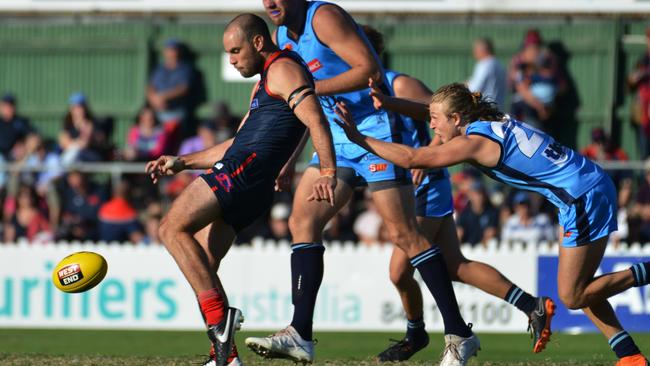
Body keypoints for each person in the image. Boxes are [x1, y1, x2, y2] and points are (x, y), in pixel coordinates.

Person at [335, 82, 650, 366]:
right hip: (588, 184)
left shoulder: (473, 143)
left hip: (581, 197)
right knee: (583, 287)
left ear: (457, 119)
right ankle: (630, 356)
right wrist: (390, 103)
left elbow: (414, 159)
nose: (430, 125)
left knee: (573, 295)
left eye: (436, 120)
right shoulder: (487, 120)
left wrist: (358, 137)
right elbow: (430, 110)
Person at [246, 2, 478, 365]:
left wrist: (310, 87)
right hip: (336, 143)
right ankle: (299, 334)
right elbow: (303, 107)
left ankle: (459, 333)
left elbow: (367, 70)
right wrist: (289, 159)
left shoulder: (322, 16)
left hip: (373, 133)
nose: (270, 3)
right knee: (302, 221)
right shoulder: (281, 36)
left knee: (405, 235)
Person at [145, 13, 337, 366]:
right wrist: (183, 161)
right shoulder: (268, 80)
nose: (231, 60)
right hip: (252, 181)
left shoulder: (283, 70)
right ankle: (226, 359)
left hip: (241, 173)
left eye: (235, 51)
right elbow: (237, 142)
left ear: (258, 42)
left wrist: (326, 170)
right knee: (202, 261)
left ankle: (222, 322)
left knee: (170, 227)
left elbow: (316, 119)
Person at [363, 24, 552, 361]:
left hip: (423, 181)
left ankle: (421, 334)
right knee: (455, 266)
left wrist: (428, 156)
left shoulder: (398, 83)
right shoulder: (351, 89)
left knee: (399, 269)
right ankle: (530, 304)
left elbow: (439, 117)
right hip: (406, 182)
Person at [628, 28, 650, 158]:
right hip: (643, 111)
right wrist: (634, 78)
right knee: (644, 152)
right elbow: (630, 84)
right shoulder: (643, 60)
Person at [467, 38, 506, 110]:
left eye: (476, 50)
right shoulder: (499, 64)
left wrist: (465, 85)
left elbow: (475, 88)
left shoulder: (484, 64)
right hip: (498, 108)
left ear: (482, 50)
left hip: (485, 110)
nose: (474, 53)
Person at [0, 93, 33, 161]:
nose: (8, 108)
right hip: (2, 156)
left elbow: (33, 137)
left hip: (20, 155)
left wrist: (24, 147)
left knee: (33, 159)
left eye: (10, 105)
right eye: (6, 106)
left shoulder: (21, 122)